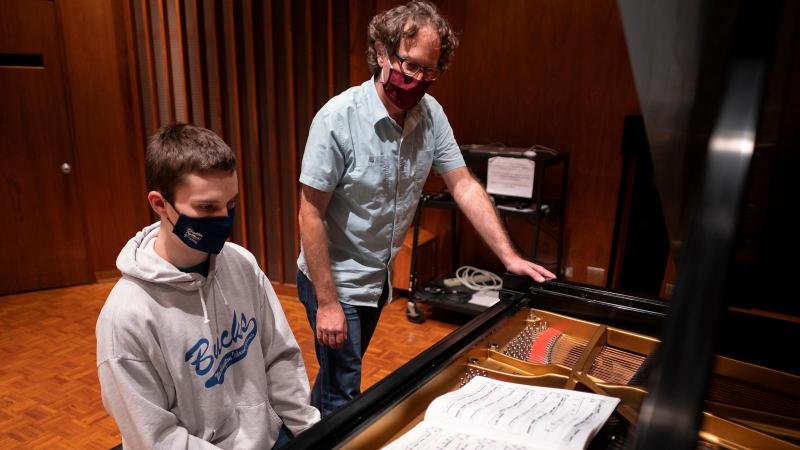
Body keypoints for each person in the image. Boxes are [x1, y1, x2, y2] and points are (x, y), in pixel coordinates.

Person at [296, 0, 556, 417]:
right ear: (381, 52)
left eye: (429, 70)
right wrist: (327, 302)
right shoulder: (337, 119)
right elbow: (309, 212)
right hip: (335, 280)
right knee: (343, 398)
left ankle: (306, 433)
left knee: (335, 383)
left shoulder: (431, 116)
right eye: (410, 65)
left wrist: (510, 257)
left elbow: (464, 185)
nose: (418, 80)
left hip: (374, 279)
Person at [96, 124, 319, 449]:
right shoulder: (125, 319)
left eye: (230, 205)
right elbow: (156, 438)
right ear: (160, 204)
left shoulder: (241, 263)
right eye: (206, 208)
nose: (224, 220)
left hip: (269, 439)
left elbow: (279, 357)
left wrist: (313, 434)